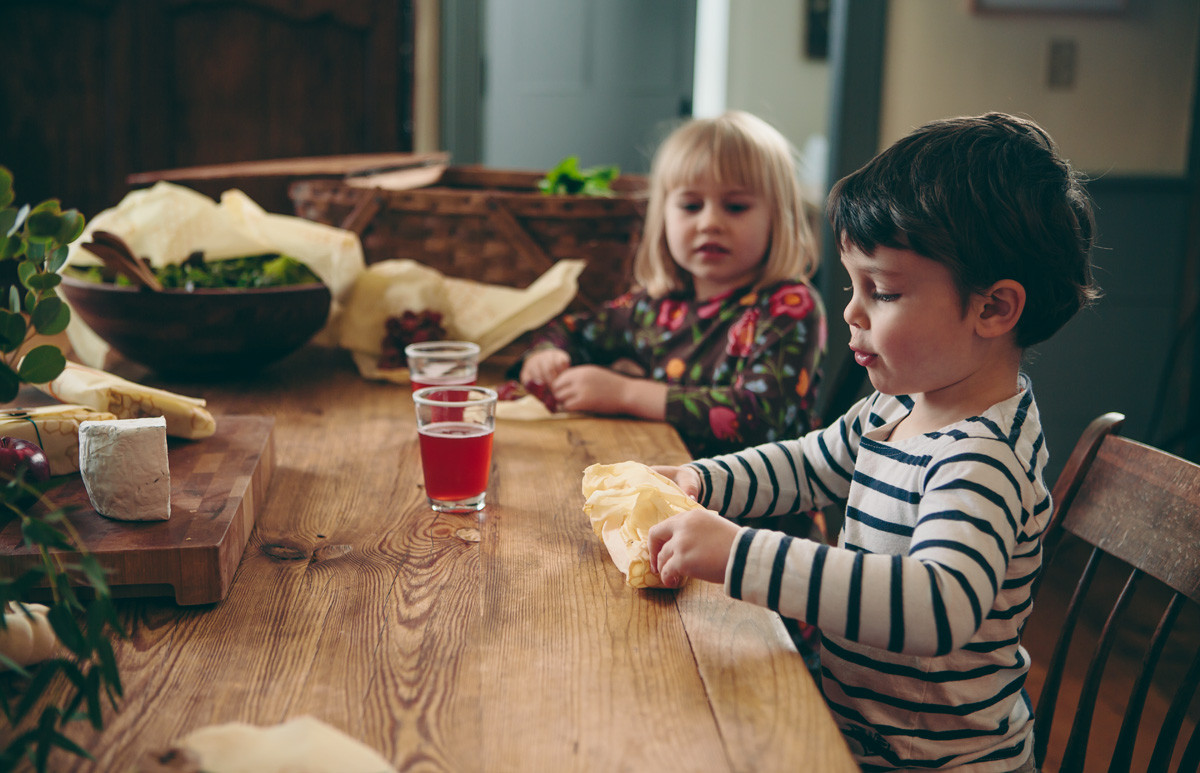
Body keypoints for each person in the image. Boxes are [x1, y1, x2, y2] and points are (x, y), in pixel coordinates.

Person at [646, 112, 1100, 773]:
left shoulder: (981, 457)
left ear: (994, 309)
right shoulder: (899, 403)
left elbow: (934, 605)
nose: (852, 312)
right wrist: (701, 481)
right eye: (853, 285)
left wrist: (740, 552)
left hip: (931, 761)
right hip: (854, 728)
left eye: (882, 291)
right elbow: (807, 463)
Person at [518, 110, 827, 462]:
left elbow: (758, 415)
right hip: (665, 486)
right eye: (691, 205)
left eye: (736, 206)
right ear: (663, 216)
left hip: (756, 513)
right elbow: (571, 330)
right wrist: (546, 355)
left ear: (778, 217)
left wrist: (625, 393)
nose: (710, 223)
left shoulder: (790, 306)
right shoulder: (655, 306)